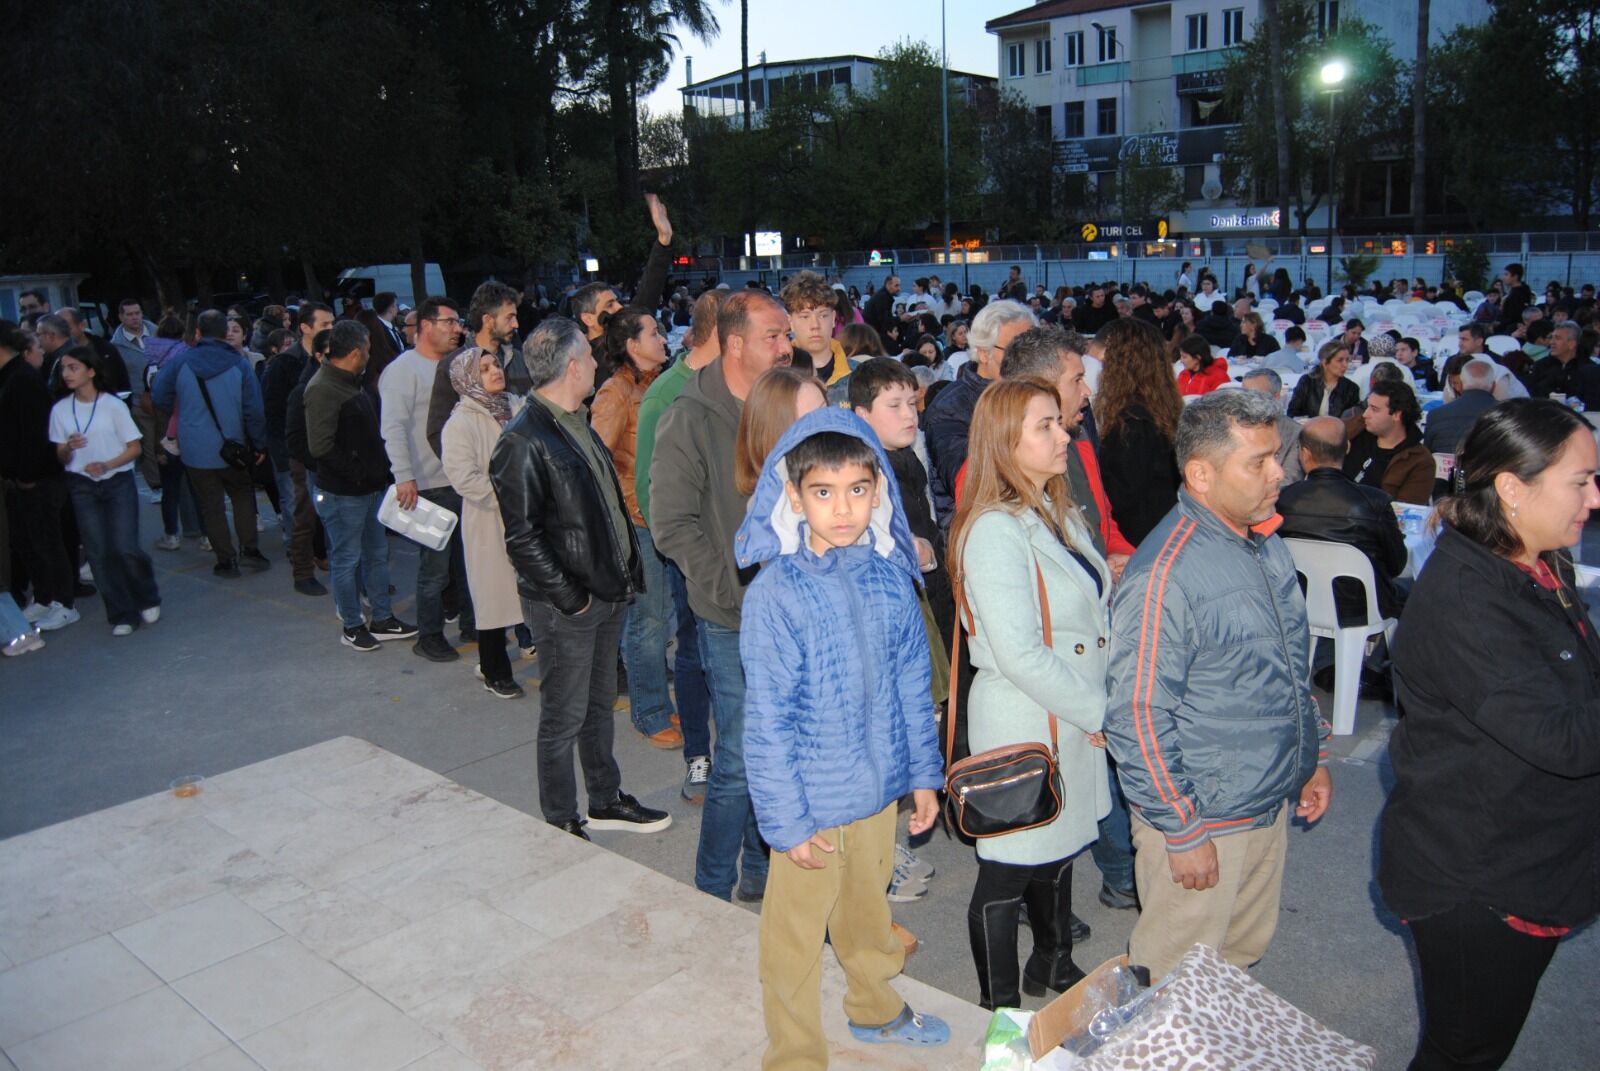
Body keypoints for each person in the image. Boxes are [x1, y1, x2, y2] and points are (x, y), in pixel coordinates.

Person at [1379, 398, 1600, 1071]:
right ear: (1512, 487)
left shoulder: (1535, 561)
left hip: (1527, 853)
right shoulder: (1468, 598)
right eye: (1580, 479)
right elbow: (1564, 738)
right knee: (1464, 1051)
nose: (1594, 497)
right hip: (1480, 880)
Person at [738, 410, 951, 1064]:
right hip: (813, 801)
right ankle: (796, 1052)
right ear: (793, 497)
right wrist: (787, 821)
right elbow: (766, 718)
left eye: (858, 489)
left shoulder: (890, 576)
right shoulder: (777, 592)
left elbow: (915, 683)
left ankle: (874, 1008)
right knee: (795, 936)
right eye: (823, 492)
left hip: (879, 786)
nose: (842, 508)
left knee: (866, 913)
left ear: (878, 491)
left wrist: (922, 774)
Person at [1105, 390, 1332, 980]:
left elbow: (1286, 665)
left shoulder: (1263, 542)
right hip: (1204, 816)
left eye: (1276, 456)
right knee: (1177, 981)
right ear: (1200, 474)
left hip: (1261, 801)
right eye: (1258, 462)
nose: (1280, 472)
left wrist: (1313, 754)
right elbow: (1138, 715)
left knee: (1235, 965)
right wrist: (1181, 829)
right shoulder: (1166, 574)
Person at [949, 377, 1113, 1008]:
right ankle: (1002, 1012)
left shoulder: (1056, 509)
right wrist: (1098, 711)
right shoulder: (994, 529)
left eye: (1059, 422)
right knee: (1008, 871)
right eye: (1044, 425)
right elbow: (1018, 652)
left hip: (1068, 712)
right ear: (1005, 441)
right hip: (1029, 718)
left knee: (1062, 844)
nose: (1063, 434)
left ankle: (1053, 962)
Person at [491, 317, 669, 840]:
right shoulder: (523, 439)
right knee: (563, 714)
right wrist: (571, 600)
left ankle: (605, 798)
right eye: (589, 358)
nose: (597, 363)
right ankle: (561, 817)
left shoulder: (577, 421)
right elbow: (522, 538)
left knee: (597, 707)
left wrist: (624, 574)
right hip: (568, 604)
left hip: (606, 592)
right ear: (572, 365)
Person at [650, 290, 793, 899]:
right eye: (773, 336)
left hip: (790, 612)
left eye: (786, 335)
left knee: (776, 753)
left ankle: (761, 873)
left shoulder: (783, 403)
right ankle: (710, 889)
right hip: (731, 618)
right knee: (735, 761)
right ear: (735, 344)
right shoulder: (688, 415)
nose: (787, 346)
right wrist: (730, 594)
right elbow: (671, 525)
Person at [633, 289, 723, 802]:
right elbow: (651, 487)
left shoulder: (746, 384)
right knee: (692, 653)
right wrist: (688, 552)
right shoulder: (667, 393)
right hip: (690, 556)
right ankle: (698, 756)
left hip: (739, 555)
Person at [593, 307, 682, 747]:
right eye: (653, 333)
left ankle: (659, 705)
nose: (662, 339)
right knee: (647, 623)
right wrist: (622, 511)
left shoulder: (655, 386)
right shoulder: (615, 393)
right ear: (632, 345)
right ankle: (649, 713)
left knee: (660, 618)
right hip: (636, 521)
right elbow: (594, 463)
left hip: (661, 517)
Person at [303, 321, 417, 651]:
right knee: (347, 559)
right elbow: (320, 447)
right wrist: (359, 472)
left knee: (376, 554)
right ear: (355, 353)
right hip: (344, 494)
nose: (370, 352)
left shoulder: (351, 382)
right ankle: (353, 625)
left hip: (367, 489)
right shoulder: (323, 388)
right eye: (367, 347)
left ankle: (381, 618)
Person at [381, 293, 475, 662]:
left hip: (462, 479)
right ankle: (430, 634)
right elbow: (393, 426)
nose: (457, 328)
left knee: (468, 563)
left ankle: (472, 623)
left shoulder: (458, 365)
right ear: (424, 327)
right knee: (434, 568)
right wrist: (404, 476)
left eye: (457, 322)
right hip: (427, 483)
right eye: (449, 322)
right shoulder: (403, 370)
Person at [47, 346, 160, 636]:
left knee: (125, 547)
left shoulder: (112, 405)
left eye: (73, 367)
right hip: (81, 485)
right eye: (64, 368)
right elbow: (60, 456)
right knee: (99, 552)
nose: (67, 373)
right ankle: (121, 612)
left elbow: (134, 448)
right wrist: (67, 448)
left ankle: (146, 594)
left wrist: (107, 464)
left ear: (91, 371)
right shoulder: (60, 409)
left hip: (117, 481)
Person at [150, 309, 270, 577]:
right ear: (224, 333)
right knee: (242, 495)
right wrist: (259, 443)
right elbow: (254, 408)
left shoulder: (181, 362)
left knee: (210, 504)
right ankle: (250, 550)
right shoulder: (239, 364)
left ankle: (225, 560)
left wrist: (183, 413)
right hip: (234, 444)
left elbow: (159, 395)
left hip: (195, 446)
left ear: (198, 333)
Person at [440, 349, 526, 699]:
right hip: (490, 519)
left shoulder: (519, 408)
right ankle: (494, 669)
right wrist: (508, 497)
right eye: (485, 368)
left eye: (495, 365)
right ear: (467, 379)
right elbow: (464, 477)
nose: (495, 372)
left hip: (528, 514)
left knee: (533, 592)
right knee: (494, 597)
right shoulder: (461, 423)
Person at [1278, 417, 1409, 627]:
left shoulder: (1282, 499)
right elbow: (1396, 565)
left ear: (1304, 453)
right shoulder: (1374, 502)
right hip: (1362, 608)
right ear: (1347, 447)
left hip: (1297, 601)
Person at [924, 301, 1037, 528]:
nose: (1030, 359)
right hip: (981, 533)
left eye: (1034, 348)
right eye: (1017, 350)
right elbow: (971, 484)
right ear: (984, 354)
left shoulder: (1044, 396)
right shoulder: (950, 408)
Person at [0, 320, 79, 631]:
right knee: (25, 541)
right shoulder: (10, 377)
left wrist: (28, 474)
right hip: (19, 479)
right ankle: (45, 597)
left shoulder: (23, 379)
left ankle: (65, 601)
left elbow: (36, 435)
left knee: (47, 541)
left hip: (39, 478)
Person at [263, 302, 334, 594]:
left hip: (328, 452)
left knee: (333, 513)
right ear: (305, 327)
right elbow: (275, 413)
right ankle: (302, 571)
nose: (332, 329)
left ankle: (343, 568)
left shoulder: (337, 359)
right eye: (325, 325)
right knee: (302, 513)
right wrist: (288, 456)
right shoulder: (285, 364)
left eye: (333, 324)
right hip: (299, 455)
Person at [1097, 320, 1184, 547]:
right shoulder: (1163, 411)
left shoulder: (1133, 423)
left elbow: (1121, 496)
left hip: (1140, 541)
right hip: (1165, 529)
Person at [1344, 381, 1433, 505]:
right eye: (1367, 407)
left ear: (1396, 414)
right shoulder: (1354, 430)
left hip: (1372, 520)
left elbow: (1405, 512)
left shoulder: (1419, 461)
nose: (1365, 414)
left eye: (1374, 409)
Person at [1424, 356, 1499, 458]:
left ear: (1462, 384)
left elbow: (1427, 455)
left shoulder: (1435, 415)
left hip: (1444, 473)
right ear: (1494, 386)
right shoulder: (1508, 414)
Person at [1240, 369, 1305, 484]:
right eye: (1244, 396)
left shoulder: (1295, 433)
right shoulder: (1231, 427)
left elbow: (1290, 479)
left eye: (1256, 396)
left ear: (1276, 397)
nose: (1247, 402)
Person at [1529, 322, 1600, 410]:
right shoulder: (1540, 366)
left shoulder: (1590, 370)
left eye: (1557, 338)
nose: (1551, 342)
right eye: (1551, 337)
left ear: (1572, 344)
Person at [1287, 340, 1360, 419]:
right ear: (1325, 362)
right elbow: (1292, 413)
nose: (1345, 365)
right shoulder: (1307, 382)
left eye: (1347, 360)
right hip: (1308, 428)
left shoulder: (1351, 388)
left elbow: (1351, 420)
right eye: (1340, 360)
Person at [358, 291, 407, 393]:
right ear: (391, 308)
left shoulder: (392, 327)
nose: (397, 308)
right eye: (395, 305)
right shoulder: (376, 329)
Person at [863, 275, 900, 340]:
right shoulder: (882, 297)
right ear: (888, 284)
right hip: (874, 335)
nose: (899, 289)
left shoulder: (883, 295)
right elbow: (884, 320)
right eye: (896, 286)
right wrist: (900, 318)